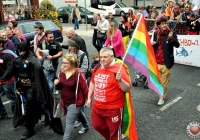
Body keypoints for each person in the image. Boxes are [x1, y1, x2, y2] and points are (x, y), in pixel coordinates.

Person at [14, 41, 64, 139]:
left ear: (27, 50)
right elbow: (17, 74)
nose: (21, 53)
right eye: (19, 51)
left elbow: (37, 78)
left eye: (22, 51)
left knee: (38, 108)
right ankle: (29, 127)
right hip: (24, 89)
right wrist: (19, 86)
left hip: (34, 90)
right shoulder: (18, 60)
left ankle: (31, 129)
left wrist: (33, 90)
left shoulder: (33, 62)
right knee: (26, 109)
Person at [86, 47, 132, 140]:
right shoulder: (97, 66)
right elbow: (92, 82)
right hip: (97, 106)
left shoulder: (119, 69)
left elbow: (127, 88)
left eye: (105, 57)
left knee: (114, 132)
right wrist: (89, 97)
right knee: (97, 125)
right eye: (101, 57)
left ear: (112, 56)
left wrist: (120, 80)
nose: (102, 59)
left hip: (113, 108)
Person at [54, 54, 89, 140]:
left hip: (76, 101)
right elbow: (59, 87)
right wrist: (56, 84)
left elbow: (85, 88)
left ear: (72, 64)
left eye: (66, 63)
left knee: (69, 122)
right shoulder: (61, 72)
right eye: (63, 63)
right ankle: (86, 126)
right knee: (79, 114)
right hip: (65, 100)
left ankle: (66, 138)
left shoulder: (78, 74)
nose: (64, 65)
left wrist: (88, 100)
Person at [151, 16, 180, 105]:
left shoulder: (171, 33)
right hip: (156, 62)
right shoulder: (156, 33)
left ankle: (161, 97)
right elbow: (153, 46)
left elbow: (177, 45)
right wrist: (152, 44)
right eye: (162, 24)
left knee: (164, 83)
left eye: (165, 23)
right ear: (158, 25)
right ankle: (161, 94)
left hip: (166, 63)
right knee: (157, 81)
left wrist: (171, 39)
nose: (164, 25)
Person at [0, 37, 16, 120]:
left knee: (12, 98)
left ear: (0, 44)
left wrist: (2, 79)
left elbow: (9, 69)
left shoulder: (7, 54)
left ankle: (16, 113)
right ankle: (2, 113)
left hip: (7, 81)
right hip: (1, 81)